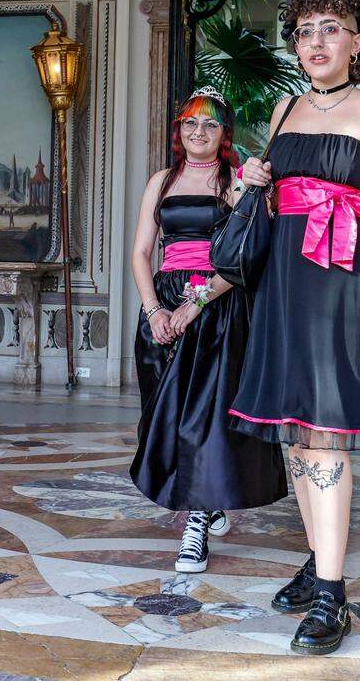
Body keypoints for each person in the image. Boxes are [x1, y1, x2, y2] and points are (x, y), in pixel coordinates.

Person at [231, 0, 360, 655]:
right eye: (305, 29)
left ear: (359, 41)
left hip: (344, 286)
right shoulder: (283, 108)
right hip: (284, 284)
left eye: (331, 28)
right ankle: (317, 559)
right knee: (294, 433)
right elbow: (269, 201)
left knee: (326, 436)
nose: (315, 41)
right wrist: (255, 177)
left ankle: (333, 596)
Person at [130, 86, 286, 575]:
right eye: (190, 122)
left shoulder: (237, 181)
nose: (198, 131)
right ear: (179, 129)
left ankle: (194, 528)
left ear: (224, 134)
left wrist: (196, 303)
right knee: (168, 418)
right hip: (163, 306)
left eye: (210, 124)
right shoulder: (161, 180)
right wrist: (155, 310)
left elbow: (244, 255)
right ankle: (209, 499)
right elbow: (140, 252)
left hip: (216, 304)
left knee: (204, 420)